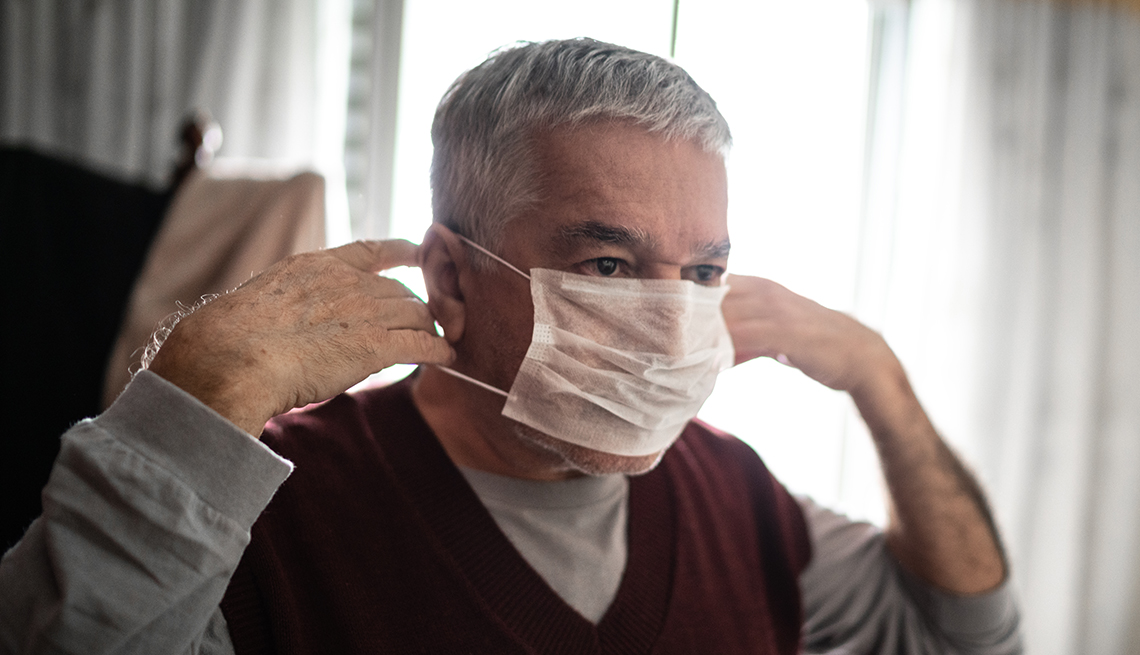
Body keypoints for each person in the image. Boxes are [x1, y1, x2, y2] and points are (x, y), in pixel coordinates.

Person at [0, 39, 1021, 654]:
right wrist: (192, 407)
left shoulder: (743, 501)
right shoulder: (268, 511)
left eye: (703, 270)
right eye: (611, 266)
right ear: (451, 276)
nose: (674, 321)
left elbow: (964, 633)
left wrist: (883, 381)